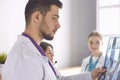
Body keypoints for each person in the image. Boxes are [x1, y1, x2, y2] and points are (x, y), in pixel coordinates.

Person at [2, 0, 106, 80]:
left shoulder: (36, 51)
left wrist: (91, 75)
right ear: (37, 17)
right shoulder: (24, 59)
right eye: (54, 18)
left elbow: (59, 79)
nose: (58, 25)